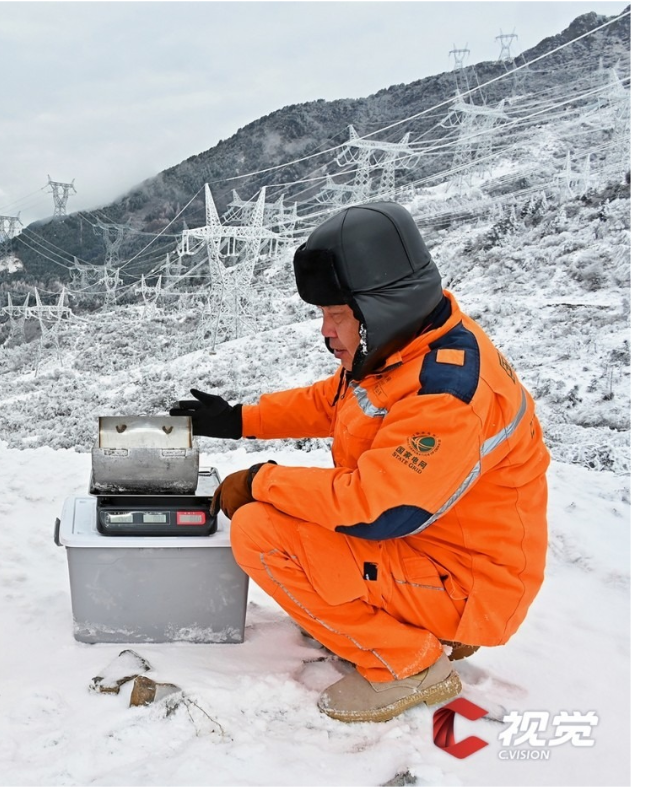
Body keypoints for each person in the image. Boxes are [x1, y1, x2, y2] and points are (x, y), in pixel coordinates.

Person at [170, 201, 549, 723]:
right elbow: (335, 402)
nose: (325, 332)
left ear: (381, 306)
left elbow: (378, 510)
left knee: (260, 530)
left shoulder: (446, 393)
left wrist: (261, 480)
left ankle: (406, 664)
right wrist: (237, 420)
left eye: (336, 316)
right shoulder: (408, 346)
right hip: (435, 550)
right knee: (302, 507)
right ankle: (414, 625)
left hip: (464, 581)